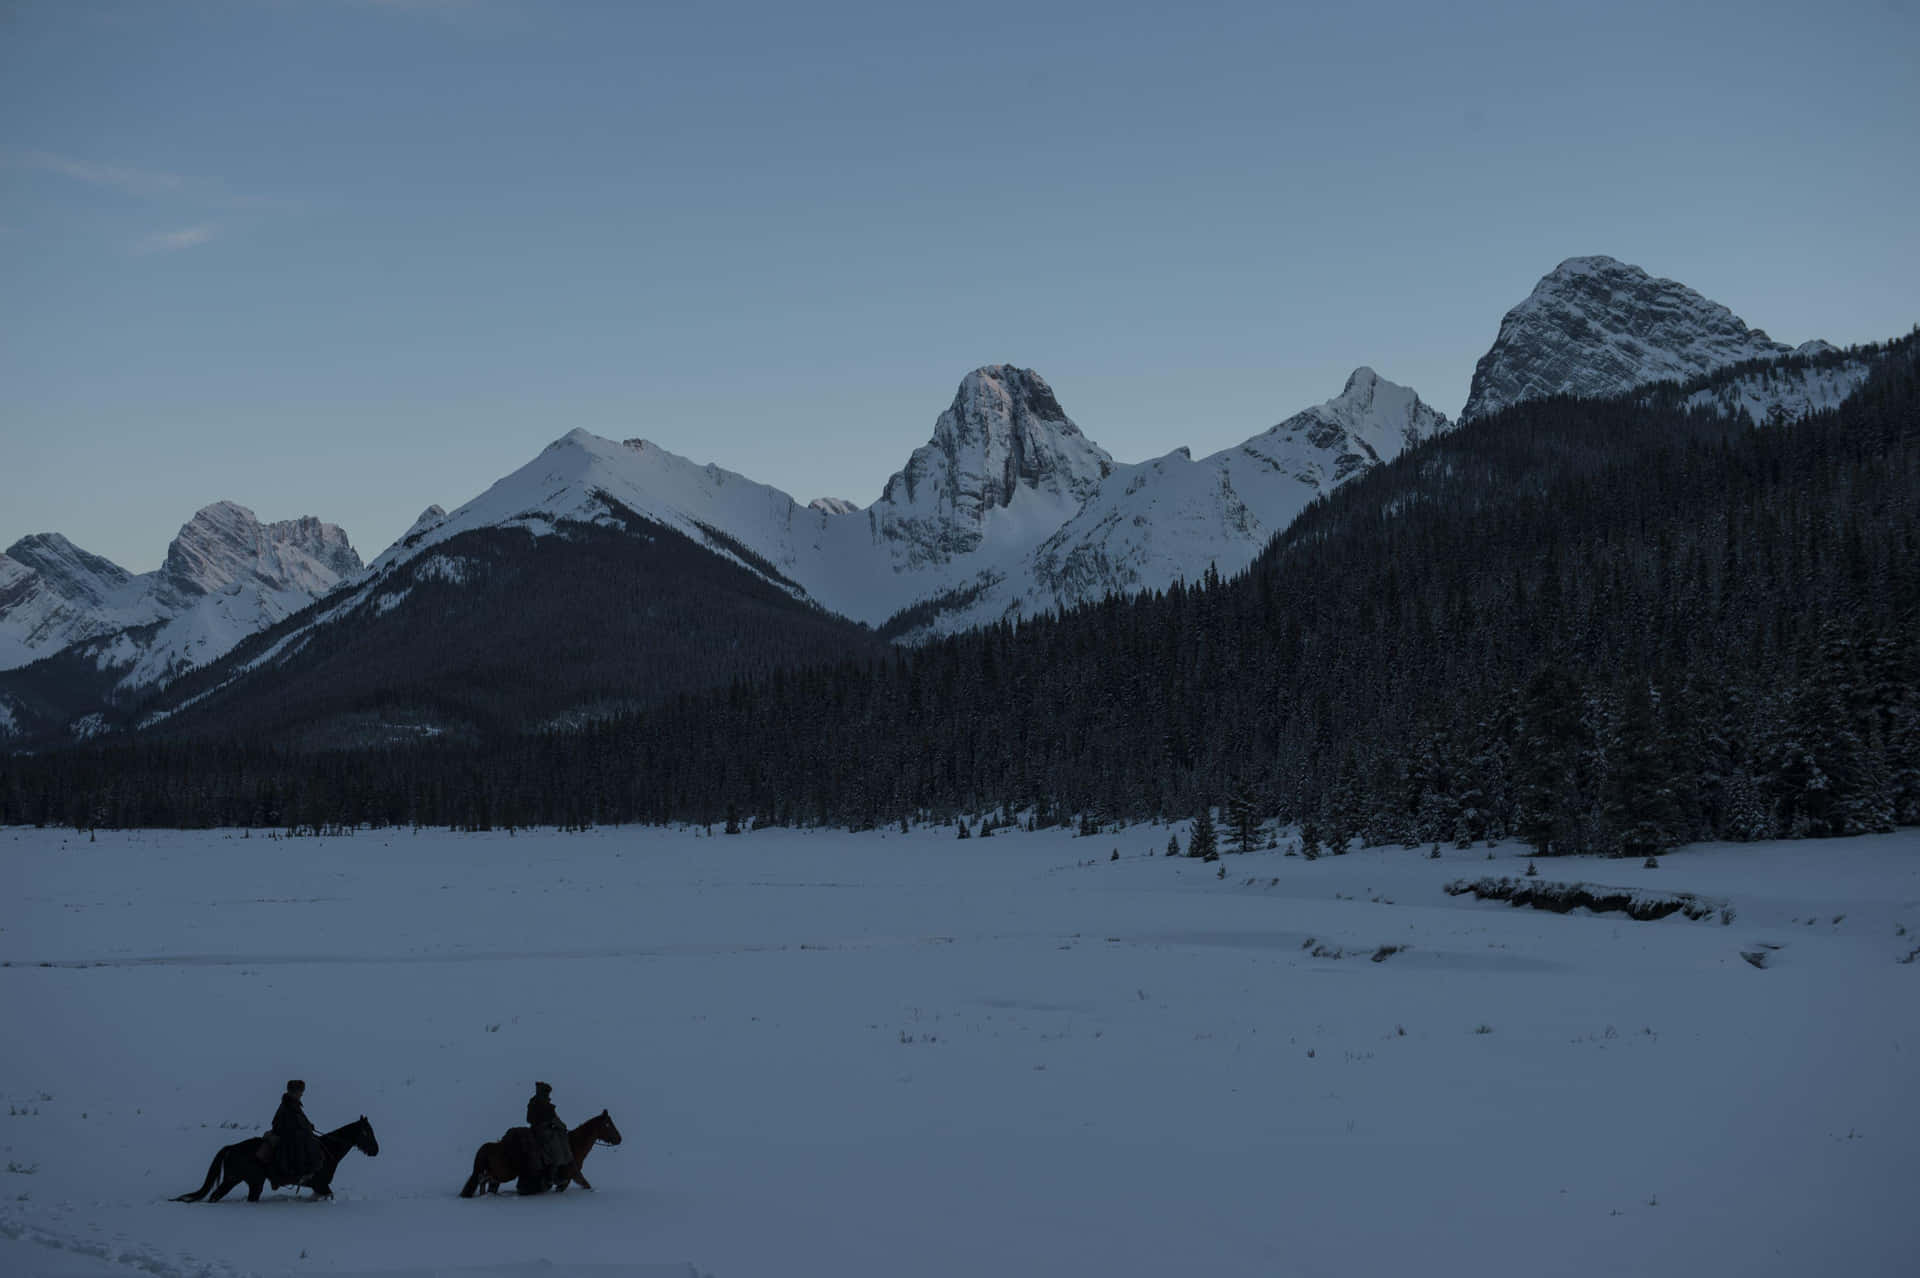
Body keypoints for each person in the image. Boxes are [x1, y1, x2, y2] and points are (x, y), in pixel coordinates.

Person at [264, 1079, 324, 1187]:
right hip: (286, 1136)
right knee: (302, 1144)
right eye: (300, 1092)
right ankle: (299, 1174)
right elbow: (286, 1123)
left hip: (292, 1133)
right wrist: (302, 1130)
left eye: (301, 1091)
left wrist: (309, 1126)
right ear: (293, 1092)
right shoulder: (288, 1105)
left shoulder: (294, 1104)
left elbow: (301, 1120)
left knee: (312, 1140)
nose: (301, 1094)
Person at [526, 1081, 572, 1188]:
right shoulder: (543, 1104)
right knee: (556, 1148)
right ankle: (552, 1176)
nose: (548, 1094)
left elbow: (529, 1119)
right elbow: (554, 1119)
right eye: (547, 1092)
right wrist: (562, 1126)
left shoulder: (534, 1102)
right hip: (543, 1131)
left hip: (536, 1129)